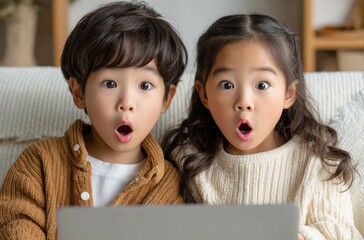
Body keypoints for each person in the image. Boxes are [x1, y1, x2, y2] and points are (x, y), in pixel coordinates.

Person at [162, 13, 362, 239]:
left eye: (262, 84)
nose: (244, 102)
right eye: (227, 85)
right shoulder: (188, 160)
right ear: (204, 94)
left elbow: (342, 234)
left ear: (288, 94)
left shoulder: (316, 163)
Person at [0, 1, 187, 239]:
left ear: (166, 99)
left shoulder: (171, 186)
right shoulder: (39, 163)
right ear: (79, 93)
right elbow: (16, 225)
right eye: (110, 83)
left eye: (145, 85)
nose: (127, 102)